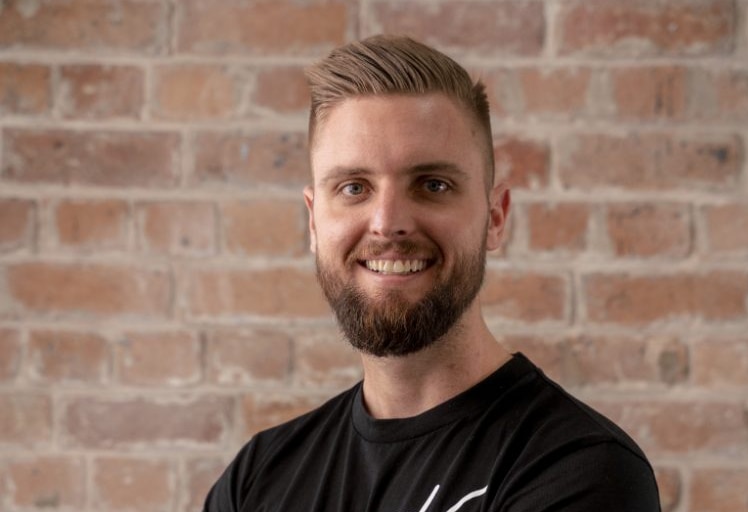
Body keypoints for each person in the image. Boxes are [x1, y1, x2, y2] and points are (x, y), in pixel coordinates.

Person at [203, 35, 661, 511]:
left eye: (433, 185)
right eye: (354, 187)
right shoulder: (258, 480)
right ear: (314, 220)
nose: (387, 223)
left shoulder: (577, 470)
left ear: (495, 216)